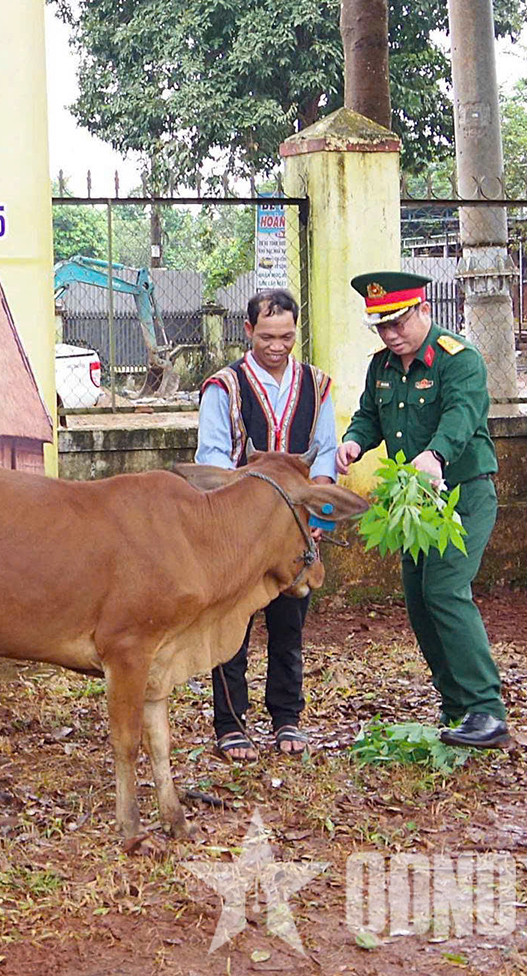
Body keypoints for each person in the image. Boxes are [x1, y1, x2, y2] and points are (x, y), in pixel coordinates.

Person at [338, 271, 511, 750]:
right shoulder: (383, 367)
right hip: (412, 504)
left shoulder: (460, 360)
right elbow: (370, 415)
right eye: (381, 326)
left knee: (445, 589)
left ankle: (487, 710)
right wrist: (354, 442)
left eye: (398, 322)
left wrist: (436, 454)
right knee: (419, 601)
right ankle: (457, 708)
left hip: (461, 495)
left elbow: (462, 414)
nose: (391, 334)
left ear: (424, 310)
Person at [194, 288, 338, 761]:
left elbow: (327, 453)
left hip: (294, 533)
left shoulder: (317, 385)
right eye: (268, 336)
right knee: (231, 625)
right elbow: (213, 459)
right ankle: (231, 724)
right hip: (238, 531)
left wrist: (317, 515)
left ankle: (287, 718)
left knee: (289, 623)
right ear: (249, 331)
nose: (278, 346)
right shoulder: (224, 386)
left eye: (287, 336)